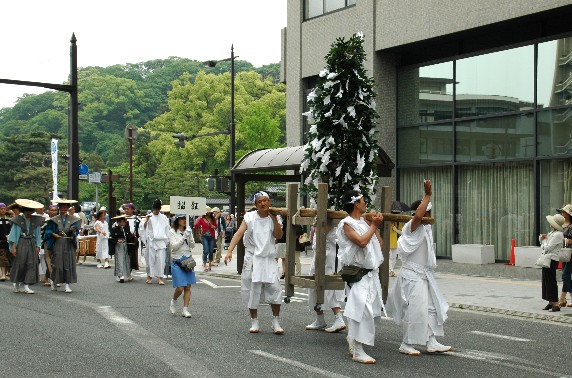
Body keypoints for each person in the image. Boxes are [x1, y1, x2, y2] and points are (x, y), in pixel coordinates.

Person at [386, 179, 451, 356]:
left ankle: (431, 341)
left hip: (425, 276)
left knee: (431, 308)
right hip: (412, 275)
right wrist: (427, 194)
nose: (430, 215)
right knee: (415, 309)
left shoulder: (427, 229)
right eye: (428, 211)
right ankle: (406, 343)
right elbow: (418, 217)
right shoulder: (411, 227)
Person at [224, 191, 285, 335]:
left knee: (275, 289)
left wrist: (275, 219)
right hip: (253, 258)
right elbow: (239, 233)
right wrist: (229, 251)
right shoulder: (249, 217)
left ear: (269, 202)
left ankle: (275, 321)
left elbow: (278, 235)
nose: (263, 204)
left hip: (269, 259)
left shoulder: (275, 217)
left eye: (265, 201)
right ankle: (254, 321)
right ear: (256, 204)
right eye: (259, 202)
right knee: (253, 290)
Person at [336, 189, 384, 364]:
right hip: (357, 273)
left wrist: (373, 226)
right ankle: (357, 350)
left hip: (370, 273)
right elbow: (361, 242)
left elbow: (379, 243)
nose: (366, 203)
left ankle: (353, 340)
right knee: (361, 311)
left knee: (369, 311)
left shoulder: (363, 222)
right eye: (363, 201)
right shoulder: (346, 223)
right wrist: (373, 226)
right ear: (356, 204)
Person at [305, 225, 346, 333]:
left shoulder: (330, 220)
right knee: (315, 286)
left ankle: (338, 318)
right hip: (322, 253)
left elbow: (323, 228)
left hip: (328, 255)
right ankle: (320, 319)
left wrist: (316, 222)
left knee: (328, 286)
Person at [7, 199, 44, 294]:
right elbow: (14, 234)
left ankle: (27, 285)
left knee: (31, 263)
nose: (29, 213)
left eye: (31, 210)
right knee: (20, 263)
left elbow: (38, 234)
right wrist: (14, 247)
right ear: (23, 210)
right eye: (27, 210)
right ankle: (17, 283)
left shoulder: (35, 220)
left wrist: (38, 245)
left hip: (31, 242)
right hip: (21, 242)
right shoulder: (18, 220)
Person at [44, 199, 81, 293]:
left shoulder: (73, 219)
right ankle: (54, 281)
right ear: (59, 208)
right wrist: (53, 234)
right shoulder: (53, 220)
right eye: (62, 207)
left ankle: (68, 284)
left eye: (66, 207)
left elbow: (76, 231)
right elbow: (47, 231)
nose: (64, 208)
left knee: (69, 263)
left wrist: (73, 230)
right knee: (57, 263)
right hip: (58, 242)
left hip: (69, 243)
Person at [168, 214, 196, 318]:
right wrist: (183, 237)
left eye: (186, 219)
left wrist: (189, 237)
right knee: (180, 287)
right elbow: (174, 247)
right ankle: (174, 301)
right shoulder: (172, 232)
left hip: (188, 260)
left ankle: (185, 309)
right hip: (177, 261)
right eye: (182, 219)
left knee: (188, 286)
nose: (184, 221)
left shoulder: (188, 230)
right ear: (177, 220)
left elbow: (192, 246)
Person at [539, 213, 565, 311]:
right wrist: (544, 240)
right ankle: (550, 301)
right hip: (548, 259)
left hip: (551, 259)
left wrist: (543, 241)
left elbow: (547, 248)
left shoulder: (558, 234)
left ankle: (555, 302)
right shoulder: (553, 233)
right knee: (546, 280)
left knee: (550, 281)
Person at [142, 199, 170, 285]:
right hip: (152, 241)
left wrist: (167, 240)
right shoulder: (149, 217)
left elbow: (167, 229)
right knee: (150, 259)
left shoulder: (164, 217)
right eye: (155, 209)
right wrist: (146, 220)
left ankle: (160, 277)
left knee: (160, 260)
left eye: (158, 209)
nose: (156, 211)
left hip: (161, 241)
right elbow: (143, 228)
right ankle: (149, 276)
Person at [194, 206, 217, 272]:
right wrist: (195, 219)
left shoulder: (212, 219)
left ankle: (209, 264)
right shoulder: (201, 219)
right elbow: (196, 226)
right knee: (206, 250)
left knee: (211, 251)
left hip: (212, 236)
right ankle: (204, 264)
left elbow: (216, 226)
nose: (208, 213)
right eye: (207, 212)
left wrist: (213, 226)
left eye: (209, 212)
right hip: (204, 236)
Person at [558, 204, 572, 308]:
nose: (563, 213)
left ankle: (562, 299)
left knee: (566, 275)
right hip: (564, 253)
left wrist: (563, 239)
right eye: (562, 212)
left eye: (564, 212)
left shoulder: (571, 226)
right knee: (567, 276)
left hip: (570, 253)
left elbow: (570, 240)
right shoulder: (563, 224)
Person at [123, 203, 140, 281]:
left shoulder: (136, 219)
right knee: (125, 257)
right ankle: (126, 273)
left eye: (128, 209)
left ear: (132, 210)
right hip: (124, 239)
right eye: (125, 209)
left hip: (133, 240)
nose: (126, 210)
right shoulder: (122, 218)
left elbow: (140, 229)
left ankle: (129, 272)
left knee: (132, 257)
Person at [388, 204, 404, 277]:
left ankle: (391, 270)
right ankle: (390, 270)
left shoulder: (398, 223)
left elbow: (402, 233)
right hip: (388, 242)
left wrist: (396, 230)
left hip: (395, 242)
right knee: (389, 257)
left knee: (393, 257)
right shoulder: (388, 222)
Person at [0, 202, 12, 281]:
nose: (3, 210)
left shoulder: (9, 219)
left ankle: (6, 273)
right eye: (1, 209)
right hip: (0, 241)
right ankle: (3, 274)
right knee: (2, 257)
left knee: (8, 257)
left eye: (4, 209)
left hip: (9, 241)